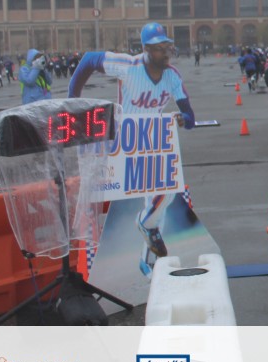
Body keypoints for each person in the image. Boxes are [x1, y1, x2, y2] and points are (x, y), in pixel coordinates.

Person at [68, 22, 195, 267]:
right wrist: (73, 99)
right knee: (127, 197)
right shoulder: (128, 65)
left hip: (152, 141)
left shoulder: (172, 76)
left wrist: (183, 119)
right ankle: (121, 244)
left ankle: (147, 257)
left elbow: (190, 116)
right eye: (159, 48)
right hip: (125, 142)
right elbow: (89, 59)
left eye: (167, 47)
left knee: (165, 196)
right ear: (146, 49)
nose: (166, 53)